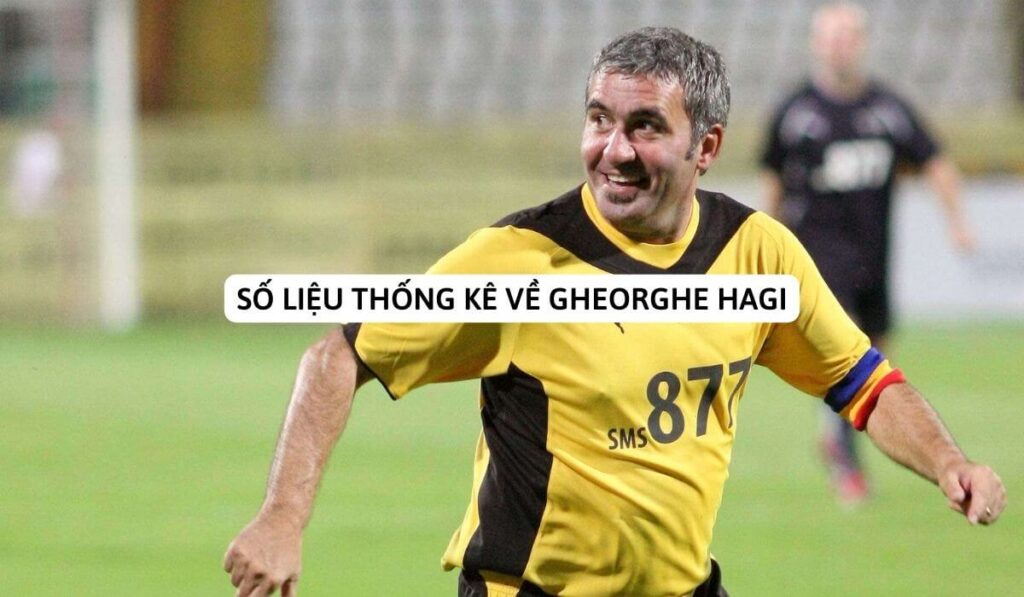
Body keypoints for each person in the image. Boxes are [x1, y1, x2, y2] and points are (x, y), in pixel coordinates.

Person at [225, 27, 1004, 597]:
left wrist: (949, 462)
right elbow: (339, 353)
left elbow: (863, 382)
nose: (614, 149)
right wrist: (282, 516)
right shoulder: (519, 259)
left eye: (645, 127)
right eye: (599, 119)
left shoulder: (758, 252)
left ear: (706, 147)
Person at [760, 2, 976, 506]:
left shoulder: (888, 109)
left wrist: (957, 223)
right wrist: (766, 245)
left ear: (862, 42)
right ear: (817, 44)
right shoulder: (796, 113)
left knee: (878, 355)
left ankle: (835, 436)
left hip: (873, 256)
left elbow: (936, 162)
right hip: (818, 258)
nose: (841, 44)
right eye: (832, 35)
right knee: (850, 352)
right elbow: (773, 178)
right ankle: (847, 465)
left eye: (849, 35)